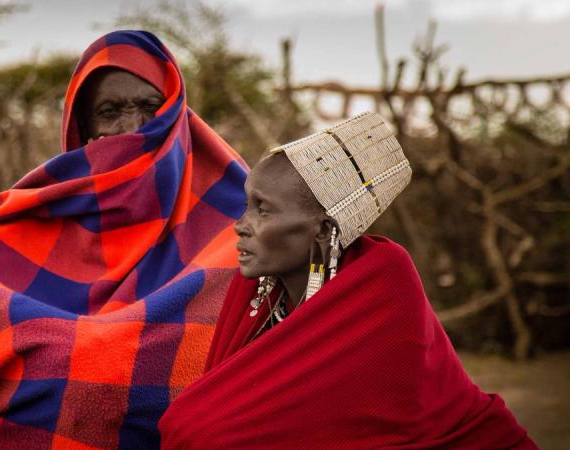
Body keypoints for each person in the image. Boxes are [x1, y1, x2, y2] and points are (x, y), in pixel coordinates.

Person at [0, 30, 248, 449]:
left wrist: (89, 357)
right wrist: (60, 343)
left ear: (175, 112)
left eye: (151, 107)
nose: (133, 128)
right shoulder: (53, 205)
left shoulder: (233, 206)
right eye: (110, 112)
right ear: (85, 128)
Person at [159, 112, 536, 449]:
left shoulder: (381, 286)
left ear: (324, 230)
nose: (241, 226)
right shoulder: (257, 289)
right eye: (246, 205)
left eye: (263, 210)